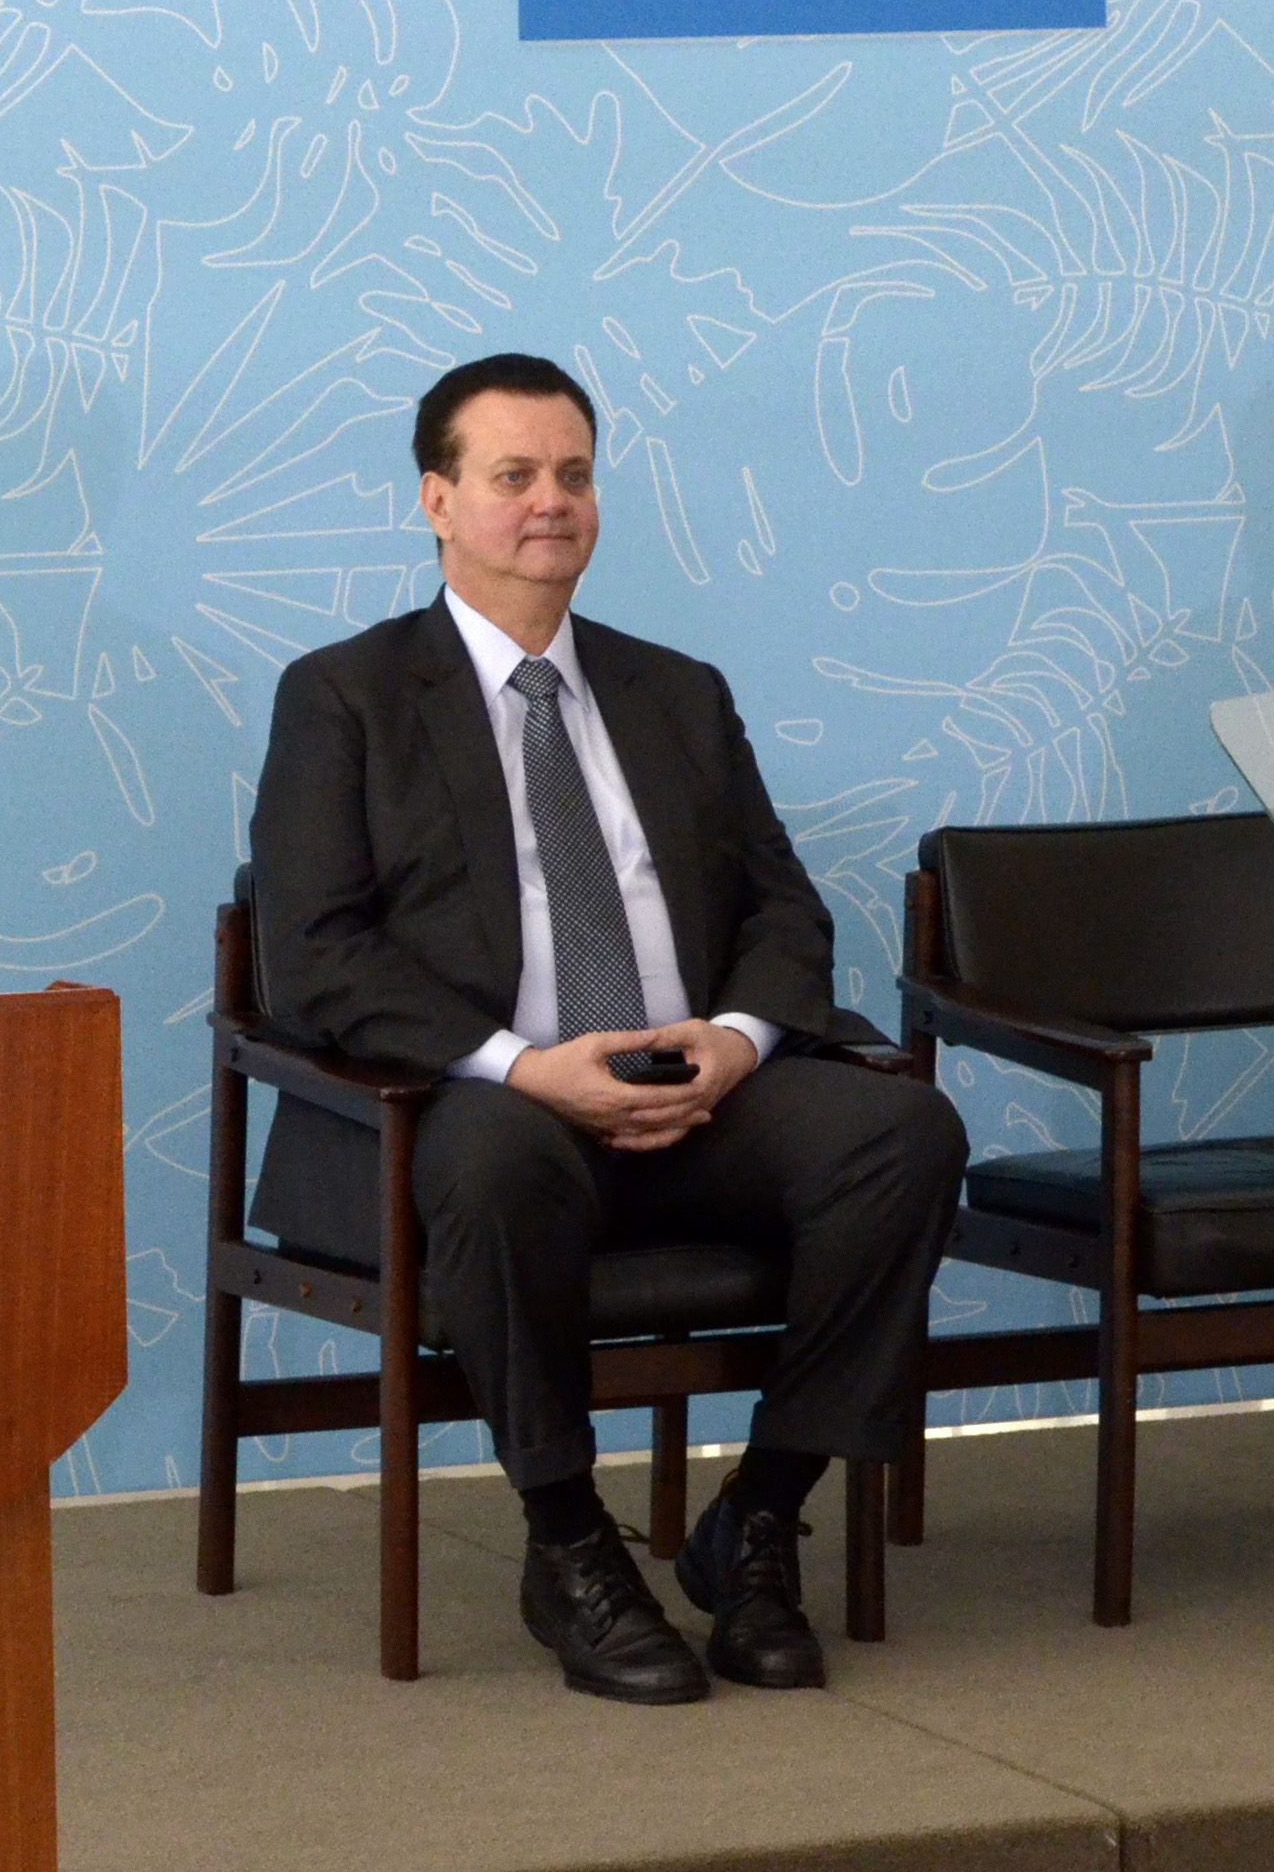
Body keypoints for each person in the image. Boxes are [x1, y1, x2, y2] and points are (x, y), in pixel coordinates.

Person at [247, 354, 962, 1705]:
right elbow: (316, 954)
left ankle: (756, 1515)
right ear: (437, 500)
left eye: (573, 473)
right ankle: (569, 1539)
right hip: (493, 1101)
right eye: (513, 474)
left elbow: (781, 907)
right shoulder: (343, 694)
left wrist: (740, 1037)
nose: (550, 501)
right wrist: (527, 1066)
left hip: (693, 1091)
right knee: (492, 1155)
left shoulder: (672, 690)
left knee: (903, 1132)